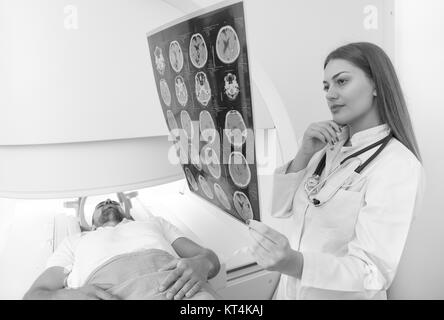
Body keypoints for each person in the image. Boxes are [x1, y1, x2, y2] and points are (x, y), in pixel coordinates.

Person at [247, 42, 424, 299]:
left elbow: (373, 271)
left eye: (341, 82)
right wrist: (304, 153)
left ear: (376, 85)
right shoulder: (326, 149)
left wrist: (296, 264)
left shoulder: (398, 165)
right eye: (326, 86)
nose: (329, 94)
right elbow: (280, 209)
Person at [24, 199, 220, 300]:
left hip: (177, 291)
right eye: (102, 204)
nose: (108, 202)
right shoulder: (75, 240)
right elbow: (34, 295)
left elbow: (209, 258)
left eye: (112, 202)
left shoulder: (154, 223)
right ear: (92, 224)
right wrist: (66, 295)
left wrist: (203, 263)